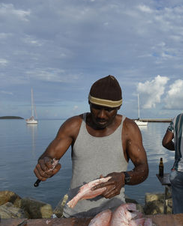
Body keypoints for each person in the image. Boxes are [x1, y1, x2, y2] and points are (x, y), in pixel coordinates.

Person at [33, 75, 149, 218]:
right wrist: (45, 166)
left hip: (113, 216)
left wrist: (123, 178)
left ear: (118, 107)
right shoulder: (73, 125)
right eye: (96, 108)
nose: (101, 115)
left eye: (108, 110)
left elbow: (143, 169)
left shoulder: (129, 129)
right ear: (88, 102)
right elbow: (49, 156)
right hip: (75, 215)